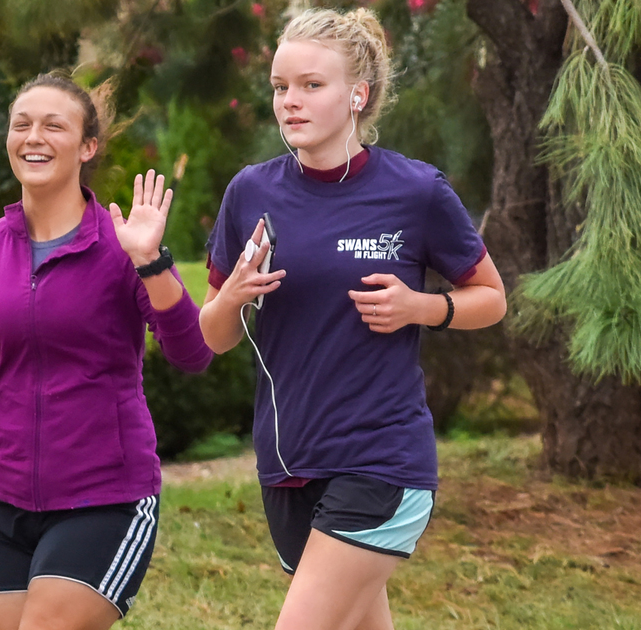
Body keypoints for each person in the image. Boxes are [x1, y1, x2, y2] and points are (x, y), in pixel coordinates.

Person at [198, 8, 507, 630]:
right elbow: (215, 336)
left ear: (358, 95)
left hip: (381, 458)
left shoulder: (414, 191)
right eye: (281, 87)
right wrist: (231, 297)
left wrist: (422, 307)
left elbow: (492, 297)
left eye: (312, 85)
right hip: (287, 462)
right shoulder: (250, 193)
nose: (291, 101)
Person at [0, 72, 212, 630]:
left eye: (55, 125)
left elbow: (193, 352)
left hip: (104, 496)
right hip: (3, 498)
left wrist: (151, 263)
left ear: (88, 146)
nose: (34, 137)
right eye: (21, 124)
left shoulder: (119, 248)